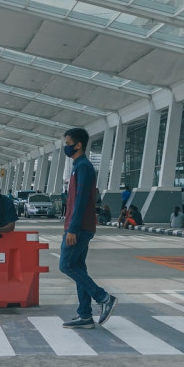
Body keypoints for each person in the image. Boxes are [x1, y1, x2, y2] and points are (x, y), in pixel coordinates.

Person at [59, 127, 116, 329]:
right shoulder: (78, 166)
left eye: (67, 144)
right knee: (78, 267)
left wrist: (72, 229)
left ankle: (103, 297)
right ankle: (85, 316)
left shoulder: (83, 166)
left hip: (79, 227)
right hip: (80, 226)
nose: (65, 147)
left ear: (78, 144)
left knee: (65, 265)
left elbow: (82, 200)